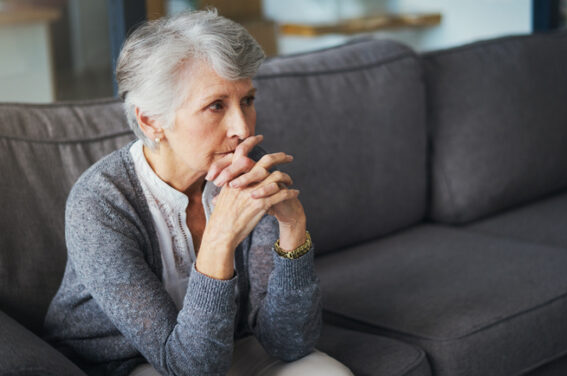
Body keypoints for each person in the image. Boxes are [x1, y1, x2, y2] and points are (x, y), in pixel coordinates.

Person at [42, 9, 353, 376]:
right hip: (123, 363)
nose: (241, 127)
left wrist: (294, 231)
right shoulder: (100, 203)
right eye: (216, 105)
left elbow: (290, 342)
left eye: (248, 100)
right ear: (151, 121)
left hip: (224, 346)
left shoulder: (249, 170)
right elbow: (189, 369)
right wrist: (220, 238)